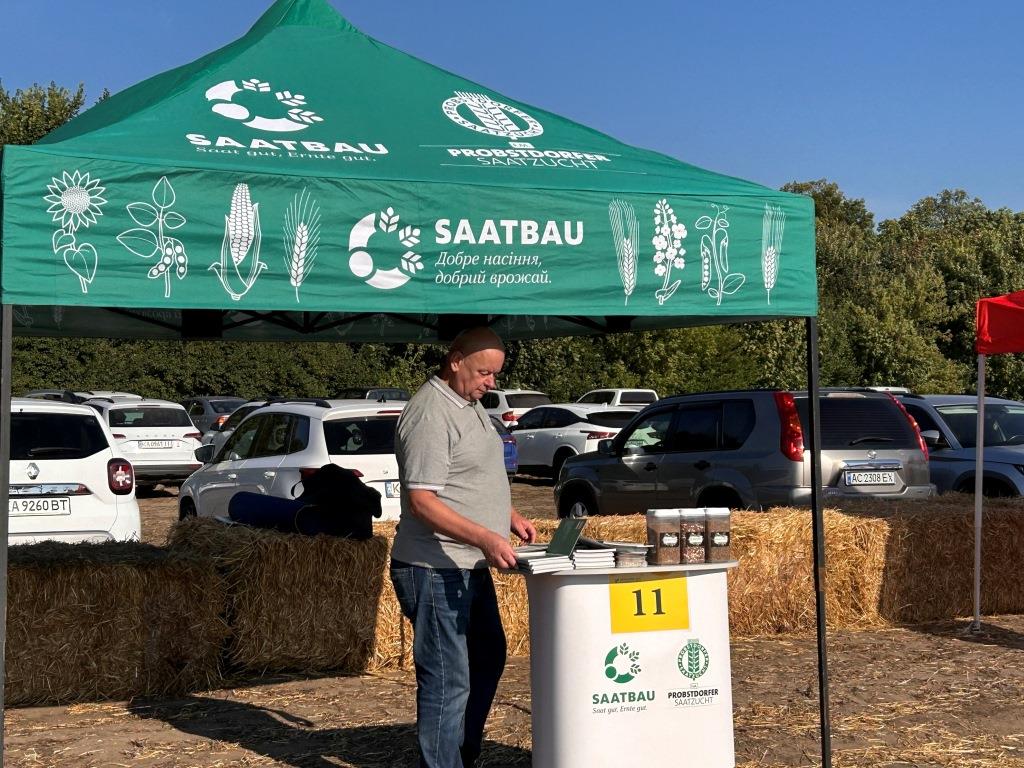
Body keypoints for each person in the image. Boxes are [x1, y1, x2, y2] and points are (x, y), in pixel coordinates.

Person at [390, 326, 537, 768]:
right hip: (434, 566)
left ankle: (460, 753)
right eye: (484, 372)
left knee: (487, 658)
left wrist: (508, 517)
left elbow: (469, 477)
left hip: (466, 563)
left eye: (495, 374)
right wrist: (485, 536)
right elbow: (422, 502)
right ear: (455, 361)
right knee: (447, 680)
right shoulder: (430, 413)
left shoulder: (468, 404)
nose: (491, 382)